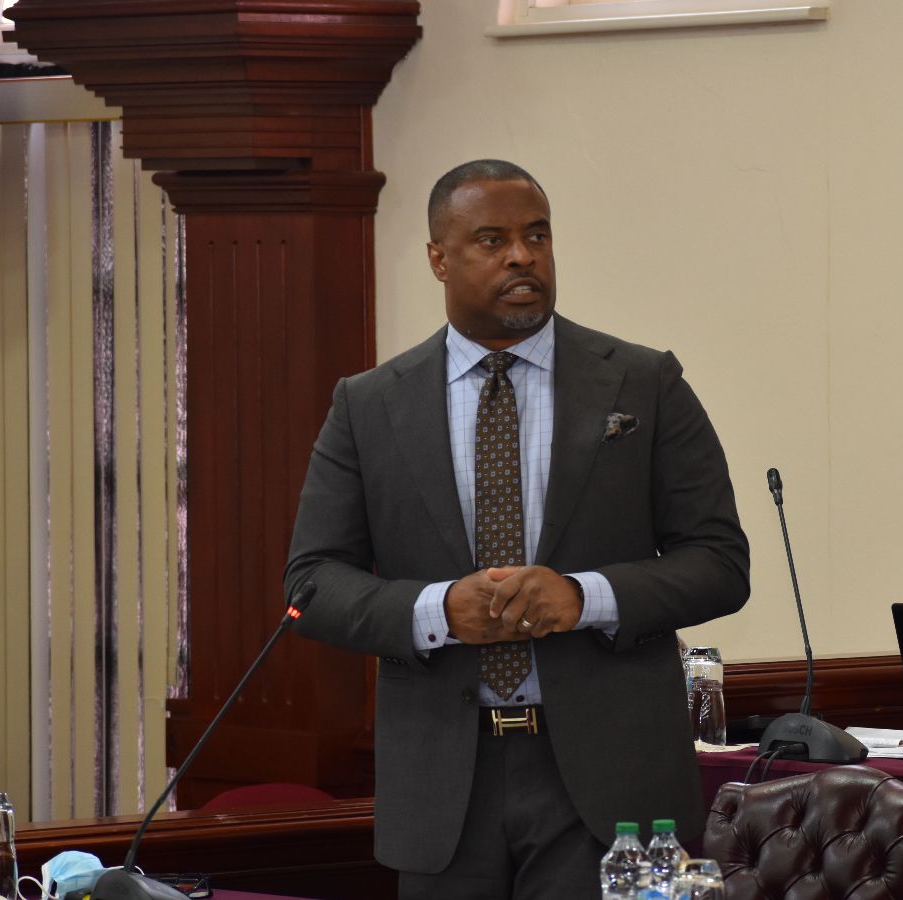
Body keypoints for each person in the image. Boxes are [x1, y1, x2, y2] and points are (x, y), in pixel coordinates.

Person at [284, 159, 750, 899]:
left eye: (537, 236)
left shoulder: (643, 382)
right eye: (491, 240)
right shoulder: (369, 405)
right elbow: (311, 584)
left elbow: (720, 562)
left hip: (607, 784)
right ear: (439, 258)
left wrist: (583, 597)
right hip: (443, 782)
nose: (522, 257)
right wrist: (438, 610)